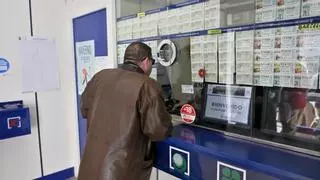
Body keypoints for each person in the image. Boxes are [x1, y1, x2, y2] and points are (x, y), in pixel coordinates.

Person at [78, 42, 173, 180]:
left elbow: (85, 110)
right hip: (122, 171)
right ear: (146, 61)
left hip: (90, 165)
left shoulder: (100, 76)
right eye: (152, 62)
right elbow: (158, 130)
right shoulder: (147, 85)